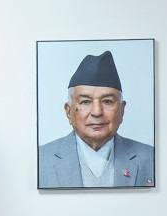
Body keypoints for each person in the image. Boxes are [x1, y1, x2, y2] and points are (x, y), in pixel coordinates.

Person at [38, 50, 155, 189]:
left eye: (107, 101)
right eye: (85, 102)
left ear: (122, 110)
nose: (97, 112)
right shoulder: (40, 160)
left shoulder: (151, 158)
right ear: (69, 112)